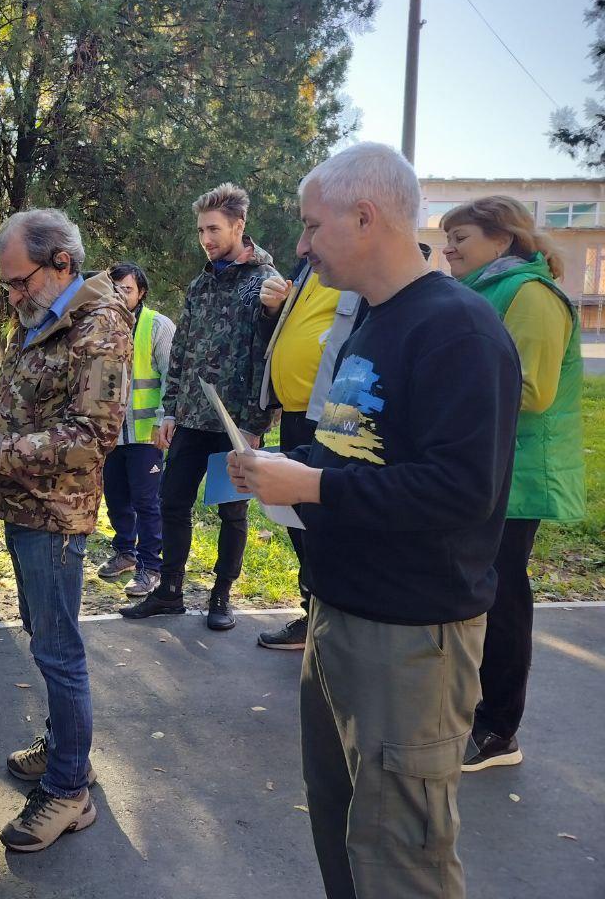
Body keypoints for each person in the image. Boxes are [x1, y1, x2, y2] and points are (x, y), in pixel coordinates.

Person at [228, 142, 521, 899]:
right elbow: (357, 449)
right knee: (345, 833)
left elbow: (462, 490)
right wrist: (285, 466)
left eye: (309, 226)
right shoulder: (371, 319)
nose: (298, 246)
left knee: (403, 857)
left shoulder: (458, 328)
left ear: (365, 217)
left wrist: (314, 488)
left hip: (412, 638)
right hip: (340, 616)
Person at [0, 208, 132, 853]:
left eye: (19, 281)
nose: (12, 296)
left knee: (59, 654)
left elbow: (93, 438)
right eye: (7, 285)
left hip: (55, 516)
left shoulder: (100, 327)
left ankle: (69, 792)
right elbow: (6, 396)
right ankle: (67, 752)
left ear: (61, 263)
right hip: (23, 508)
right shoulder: (41, 316)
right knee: (45, 639)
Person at [440, 196, 586, 772]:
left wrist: (441, 393)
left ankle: (500, 729)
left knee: (501, 597)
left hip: (518, 472)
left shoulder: (530, 294)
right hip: (489, 465)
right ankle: (477, 713)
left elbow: (531, 390)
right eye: (449, 237)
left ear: (503, 242)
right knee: (482, 591)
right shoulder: (484, 290)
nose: (449, 247)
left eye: (462, 237)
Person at [121, 183, 276, 629]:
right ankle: (169, 591)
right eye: (200, 231)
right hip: (190, 417)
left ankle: (221, 596)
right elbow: (183, 351)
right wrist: (169, 410)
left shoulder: (265, 284)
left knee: (232, 511)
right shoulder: (201, 284)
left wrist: (254, 424)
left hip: (234, 425)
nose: (205, 239)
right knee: (172, 502)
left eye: (213, 229)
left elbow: (267, 360)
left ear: (239, 226)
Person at [252, 245, 360, 648]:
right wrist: (273, 311)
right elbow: (280, 336)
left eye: (314, 226)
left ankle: (327, 618)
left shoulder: (355, 272)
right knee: (300, 520)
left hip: (332, 415)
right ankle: (312, 611)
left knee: (322, 519)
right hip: (299, 413)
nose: (301, 243)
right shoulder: (306, 267)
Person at [97, 263, 175, 597]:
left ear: (140, 292)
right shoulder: (98, 326)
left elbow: (174, 376)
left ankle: (149, 567)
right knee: (115, 499)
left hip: (146, 435)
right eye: (113, 290)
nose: (119, 296)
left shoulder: (157, 326)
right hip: (110, 434)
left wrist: (165, 418)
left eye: (126, 290)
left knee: (146, 502)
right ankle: (125, 552)